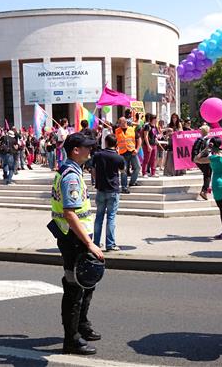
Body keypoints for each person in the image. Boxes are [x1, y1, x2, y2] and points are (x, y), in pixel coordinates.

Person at [50, 133, 104, 355]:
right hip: (75, 239)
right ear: (75, 150)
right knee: (74, 287)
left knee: (86, 283)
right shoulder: (71, 176)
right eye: (87, 148)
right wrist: (90, 244)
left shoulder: (68, 169)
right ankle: (71, 340)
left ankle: (82, 325)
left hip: (75, 237)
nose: (90, 151)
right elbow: (70, 214)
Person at [92, 134, 125, 252]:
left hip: (101, 189)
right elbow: (122, 170)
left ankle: (95, 242)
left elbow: (92, 169)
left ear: (105, 142)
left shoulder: (98, 155)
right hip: (113, 189)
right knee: (111, 217)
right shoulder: (118, 157)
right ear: (116, 144)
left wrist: (96, 181)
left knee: (98, 217)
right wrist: (118, 154)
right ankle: (110, 244)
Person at [115, 117, 141, 194]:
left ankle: (132, 181)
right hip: (122, 153)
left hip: (132, 151)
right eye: (119, 122)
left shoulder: (132, 129)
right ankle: (124, 187)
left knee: (137, 167)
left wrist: (137, 149)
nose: (119, 123)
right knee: (124, 171)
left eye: (120, 122)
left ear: (125, 122)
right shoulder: (116, 131)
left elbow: (139, 139)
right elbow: (114, 141)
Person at [192, 125, 212, 200]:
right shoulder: (208, 140)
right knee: (208, 174)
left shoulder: (198, 140)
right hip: (204, 159)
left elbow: (194, 150)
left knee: (207, 174)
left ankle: (205, 190)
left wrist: (195, 159)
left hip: (197, 159)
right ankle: (204, 191)